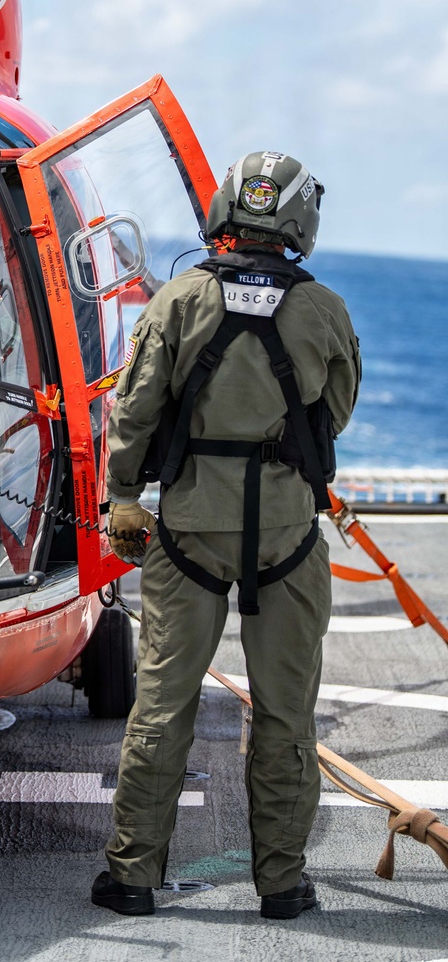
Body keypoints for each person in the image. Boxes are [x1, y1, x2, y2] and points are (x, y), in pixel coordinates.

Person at [93, 152, 360, 921]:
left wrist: (122, 497)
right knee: (285, 712)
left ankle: (133, 877)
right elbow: (333, 413)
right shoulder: (325, 311)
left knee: (164, 707)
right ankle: (281, 884)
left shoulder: (178, 300)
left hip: (189, 533)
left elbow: (135, 410)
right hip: (285, 534)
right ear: (299, 221)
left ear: (224, 212)